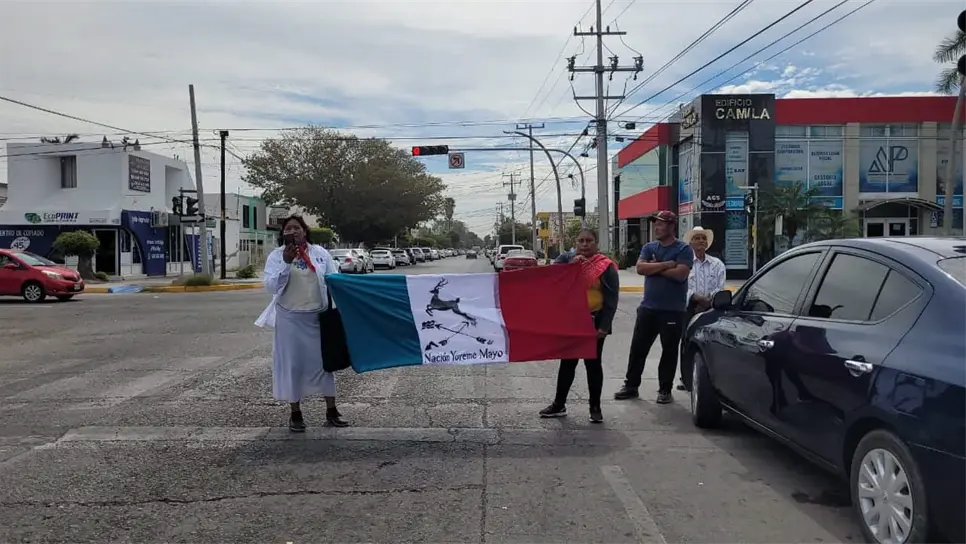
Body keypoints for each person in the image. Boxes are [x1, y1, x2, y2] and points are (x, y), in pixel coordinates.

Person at [254, 215, 349, 432]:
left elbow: (334, 279)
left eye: (298, 227)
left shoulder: (320, 253)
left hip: (318, 318)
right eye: (289, 228)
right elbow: (271, 286)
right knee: (293, 366)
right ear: (283, 233)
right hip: (290, 319)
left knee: (325, 365)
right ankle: (295, 413)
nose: (294, 231)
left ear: (305, 231)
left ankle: (332, 411)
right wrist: (287, 264)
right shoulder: (277, 256)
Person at [539, 229, 619, 423]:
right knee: (567, 363)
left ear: (596, 243)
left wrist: (604, 326)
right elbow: (552, 278)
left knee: (593, 366)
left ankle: (595, 407)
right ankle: (559, 404)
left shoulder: (605, 265)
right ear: (576, 243)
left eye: (589, 241)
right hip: (572, 322)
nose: (585, 244)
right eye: (581, 241)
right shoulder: (567, 259)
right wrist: (571, 268)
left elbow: (611, 299)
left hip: (594, 322)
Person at [614, 211, 694, 404]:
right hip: (648, 308)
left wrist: (655, 267)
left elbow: (680, 275)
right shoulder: (649, 247)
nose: (657, 227)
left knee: (669, 351)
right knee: (638, 349)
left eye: (661, 224)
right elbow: (641, 268)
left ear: (671, 226)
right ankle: (631, 386)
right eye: (656, 224)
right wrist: (666, 264)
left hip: (673, 309)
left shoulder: (684, 249)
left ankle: (665, 390)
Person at [677, 226, 726, 392]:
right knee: (686, 342)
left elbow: (720, 287)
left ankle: (709, 377)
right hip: (689, 307)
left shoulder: (717, 264)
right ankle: (686, 378)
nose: (701, 241)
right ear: (690, 242)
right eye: (697, 238)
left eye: (703, 238)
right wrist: (696, 299)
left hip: (711, 307)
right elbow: (683, 286)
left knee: (709, 341)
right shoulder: (685, 263)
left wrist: (707, 301)